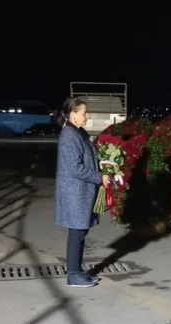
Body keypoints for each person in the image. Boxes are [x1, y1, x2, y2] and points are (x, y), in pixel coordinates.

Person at [55, 97, 111, 287]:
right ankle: (73, 275)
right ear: (73, 115)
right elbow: (75, 168)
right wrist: (99, 177)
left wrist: (101, 165)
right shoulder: (69, 136)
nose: (87, 116)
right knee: (77, 233)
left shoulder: (78, 133)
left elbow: (86, 158)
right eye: (84, 113)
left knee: (80, 232)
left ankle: (77, 271)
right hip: (75, 192)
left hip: (81, 191)